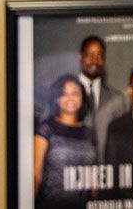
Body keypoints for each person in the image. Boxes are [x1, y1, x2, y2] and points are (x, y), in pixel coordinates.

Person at [34, 74, 96, 208]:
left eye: (75, 93)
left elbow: (93, 178)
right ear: (57, 99)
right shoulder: (46, 129)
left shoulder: (90, 133)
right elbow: (36, 175)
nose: (70, 98)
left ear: (82, 98)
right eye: (64, 94)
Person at [76, 35, 128, 160]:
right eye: (90, 55)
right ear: (80, 57)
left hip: (107, 172)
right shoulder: (66, 97)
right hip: (74, 172)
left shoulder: (117, 99)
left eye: (99, 55)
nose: (95, 60)